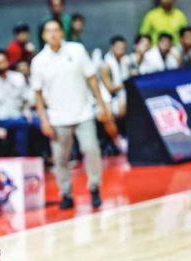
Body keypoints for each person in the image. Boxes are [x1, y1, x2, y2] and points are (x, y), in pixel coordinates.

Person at [31, 19, 110, 210]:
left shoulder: (77, 50)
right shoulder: (39, 61)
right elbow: (38, 95)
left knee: (91, 149)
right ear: (43, 36)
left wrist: (102, 106)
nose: (53, 34)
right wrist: (44, 120)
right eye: (49, 31)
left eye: (56, 30)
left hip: (84, 112)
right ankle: (66, 193)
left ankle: (94, 188)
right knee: (61, 159)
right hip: (58, 118)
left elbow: (92, 80)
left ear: (62, 33)